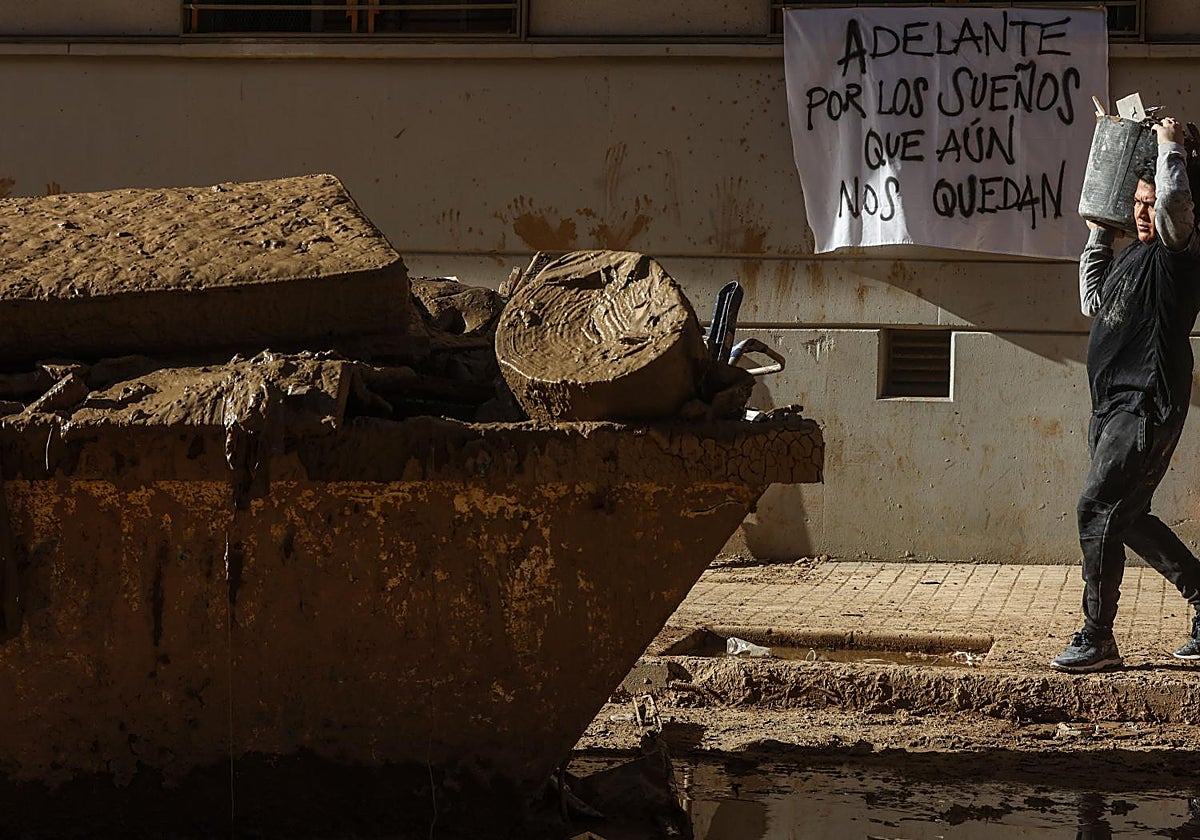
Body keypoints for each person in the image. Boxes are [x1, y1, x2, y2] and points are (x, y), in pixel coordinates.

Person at [1052, 116, 1200, 672]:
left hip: (1144, 406)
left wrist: (1169, 146)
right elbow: (1094, 300)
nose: (1142, 211)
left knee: (1097, 508)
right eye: (1134, 201)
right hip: (1113, 407)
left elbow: (1174, 207)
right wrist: (1097, 233)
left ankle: (1098, 637)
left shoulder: (1178, 255)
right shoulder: (1134, 255)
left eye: (1149, 201)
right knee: (1128, 515)